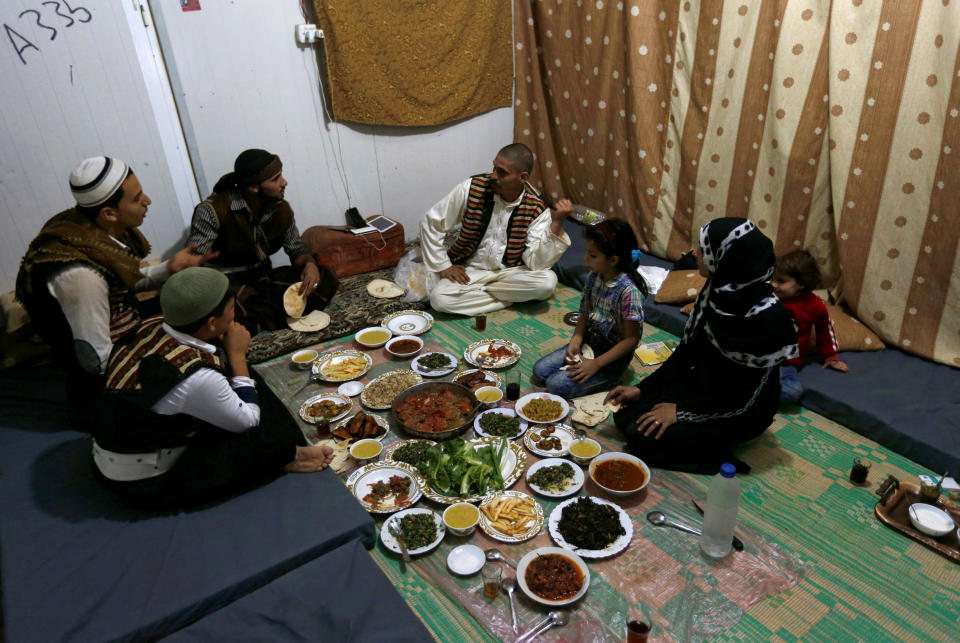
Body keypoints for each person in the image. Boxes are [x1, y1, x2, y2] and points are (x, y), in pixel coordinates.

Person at [92, 267, 334, 507]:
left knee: (250, 383)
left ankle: (286, 449)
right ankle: (288, 455)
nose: (235, 315)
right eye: (231, 309)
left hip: (123, 446)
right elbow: (247, 421)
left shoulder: (152, 323)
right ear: (210, 323)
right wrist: (237, 354)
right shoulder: (194, 375)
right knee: (267, 432)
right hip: (149, 479)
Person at [15, 156, 215, 407]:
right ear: (109, 213)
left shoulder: (87, 226)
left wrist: (170, 268)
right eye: (136, 198)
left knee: (202, 307)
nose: (147, 201)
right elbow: (96, 361)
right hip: (105, 381)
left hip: (122, 323)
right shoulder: (83, 278)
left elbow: (121, 282)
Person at [605, 218, 798, 474]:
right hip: (703, 387)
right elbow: (685, 354)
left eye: (703, 248)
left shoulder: (767, 320)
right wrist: (642, 389)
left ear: (727, 258)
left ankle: (721, 460)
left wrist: (682, 413)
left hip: (739, 411)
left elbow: (745, 399)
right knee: (624, 415)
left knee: (641, 441)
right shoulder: (717, 290)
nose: (695, 252)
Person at [186, 148, 337, 333]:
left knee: (323, 277)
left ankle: (265, 318)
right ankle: (258, 320)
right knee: (236, 310)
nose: (284, 183)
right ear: (253, 187)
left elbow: (296, 249)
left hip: (263, 278)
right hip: (227, 285)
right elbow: (192, 267)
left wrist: (309, 265)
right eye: (275, 179)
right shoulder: (212, 211)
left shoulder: (281, 209)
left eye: (281, 176)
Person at [420, 143, 574, 315]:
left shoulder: (536, 207)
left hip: (510, 272)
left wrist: (556, 222)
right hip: (470, 271)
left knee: (547, 283)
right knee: (439, 299)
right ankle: (512, 298)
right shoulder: (472, 188)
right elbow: (431, 221)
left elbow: (537, 264)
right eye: (494, 167)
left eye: (502, 172)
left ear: (523, 177)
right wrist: (443, 266)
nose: (493, 175)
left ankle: (479, 296)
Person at [532, 219, 647, 398]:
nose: (586, 259)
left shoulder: (628, 292)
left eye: (593, 256)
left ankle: (609, 378)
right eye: (587, 253)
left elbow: (630, 340)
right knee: (539, 371)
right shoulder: (594, 277)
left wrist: (596, 364)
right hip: (588, 345)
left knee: (555, 385)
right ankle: (586, 364)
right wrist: (576, 340)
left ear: (613, 260)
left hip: (609, 360)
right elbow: (584, 312)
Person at [771, 249, 849, 402]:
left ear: (801, 283)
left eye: (781, 281)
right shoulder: (766, 296)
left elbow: (825, 330)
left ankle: (756, 396)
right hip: (757, 358)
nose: (774, 284)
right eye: (772, 279)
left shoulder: (814, 305)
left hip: (786, 364)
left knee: (793, 392)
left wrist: (831, 355)